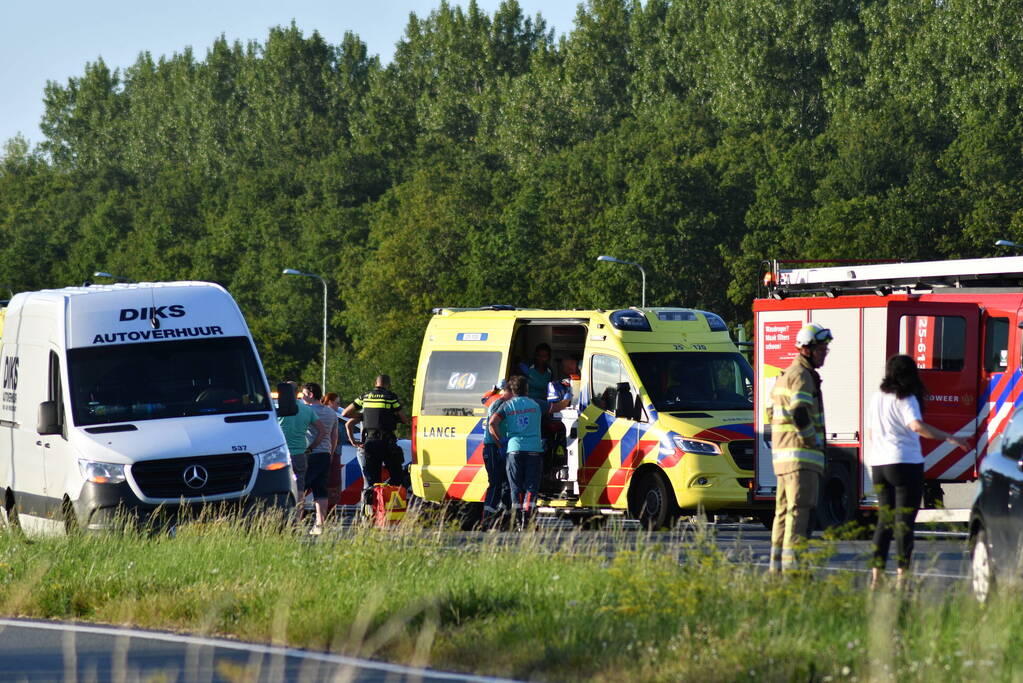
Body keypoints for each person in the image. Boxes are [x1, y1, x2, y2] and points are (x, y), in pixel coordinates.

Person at [867, 354, 968, 588]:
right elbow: (916, 426)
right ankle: (902, 576)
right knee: (904, 522)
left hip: (879, 464)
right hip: (905, 463)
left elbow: (871, 433)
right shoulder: (906, 397)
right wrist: (949, 437)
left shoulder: (877, 397)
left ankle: (876, 576)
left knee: (885, 520)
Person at [768, 323, 832, 573]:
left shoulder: (785, 375)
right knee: (800, 512)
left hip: (784, 459)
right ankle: (794, 571)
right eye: (821, 349)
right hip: (801, 459)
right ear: (807, 349)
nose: (824, 354)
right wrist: (812, 441)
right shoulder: (802, 375)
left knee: (783, 513)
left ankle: (777, 568)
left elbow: (771, 412)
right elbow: (799, 412)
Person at [342, 374, 410, 509]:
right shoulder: (390, 397)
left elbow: (345, 413)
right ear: (388, 384)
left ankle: (371, 511)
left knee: (372, 480)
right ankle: (389, 506)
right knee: (397, 476)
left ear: (375, 383)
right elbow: (404, 419)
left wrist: (364, 416)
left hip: (371, 442)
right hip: (387, 442)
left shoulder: (365, 396)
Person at [489, 374, 543, 527]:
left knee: (515, 487)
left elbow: (492, 423)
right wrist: (567, 396)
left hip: (514, 450)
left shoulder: (507, 406)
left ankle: (518, 521)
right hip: (534, 450)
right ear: (527, 389)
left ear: (512, 390)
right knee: (531, 487)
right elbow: (557, 407)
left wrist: (500, 443)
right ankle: (528, 516)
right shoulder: (536, 404)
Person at [276, 381, 320, 517]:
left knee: (279, 487)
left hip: (281, 455)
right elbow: (322, 430)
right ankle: (298, 519)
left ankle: (280, 518)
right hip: (300, 454)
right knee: (300, 488)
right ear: (297, 393)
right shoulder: (307, 410)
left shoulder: (277, 409)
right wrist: (312, 447)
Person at [301, 383, 337, 535]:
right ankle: (320, 525)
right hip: (325, 454)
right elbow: (334, 436)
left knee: (300, 489)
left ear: (310, 394)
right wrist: (330, 453)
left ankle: (295, 522)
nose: (302, 397)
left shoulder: (306, 411)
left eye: (303, 394)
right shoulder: (331, 413)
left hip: (309, 453)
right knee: (320, 490)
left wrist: (309, 448)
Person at [481, 381, 513, 524]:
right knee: (496, 483)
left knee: (506, 483)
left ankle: (505, 518)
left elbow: (484, 399)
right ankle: (487, 518)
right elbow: (492, 425)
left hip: (499, 446)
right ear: (508, 391)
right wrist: (500, 444)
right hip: (493, 447)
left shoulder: (502, 402)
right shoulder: (499, 403)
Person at [322, 392, 345, 513]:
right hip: (332, 454)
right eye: (337, 403)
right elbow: (338, 436)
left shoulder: (318, 412)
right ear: (330, 402)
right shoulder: (332, 415)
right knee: (332, 485)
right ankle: (328, 514)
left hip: (321, 453)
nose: (338, 406)